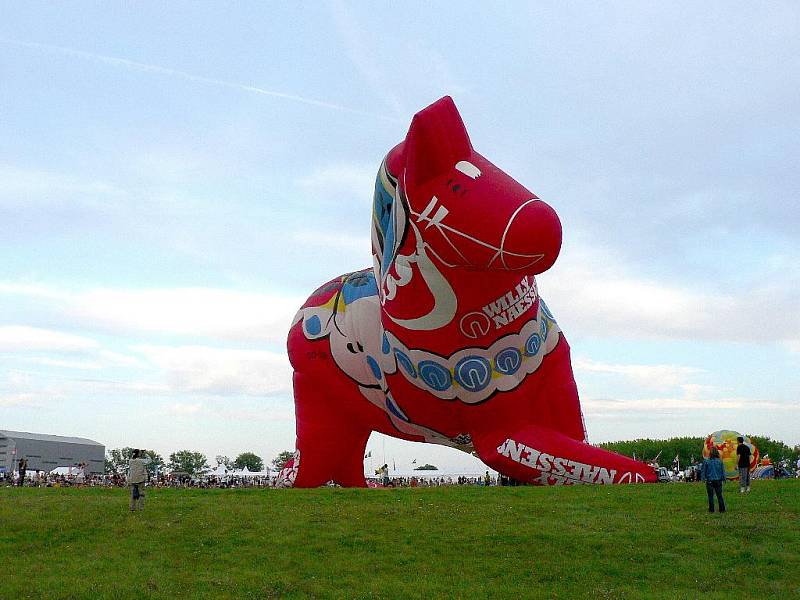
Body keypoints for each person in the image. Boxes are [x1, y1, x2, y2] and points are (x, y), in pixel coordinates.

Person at [700, 447, 726, 513]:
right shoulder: (720, 461)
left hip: (709, 481)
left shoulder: (706, 461)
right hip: (718, 480)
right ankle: (722, 509)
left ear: (710, 453)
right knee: (719, 495)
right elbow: (722, 471)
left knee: (710, 496)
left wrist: (703, 479)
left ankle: (711, 510)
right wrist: (724, 478)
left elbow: (703, 471)